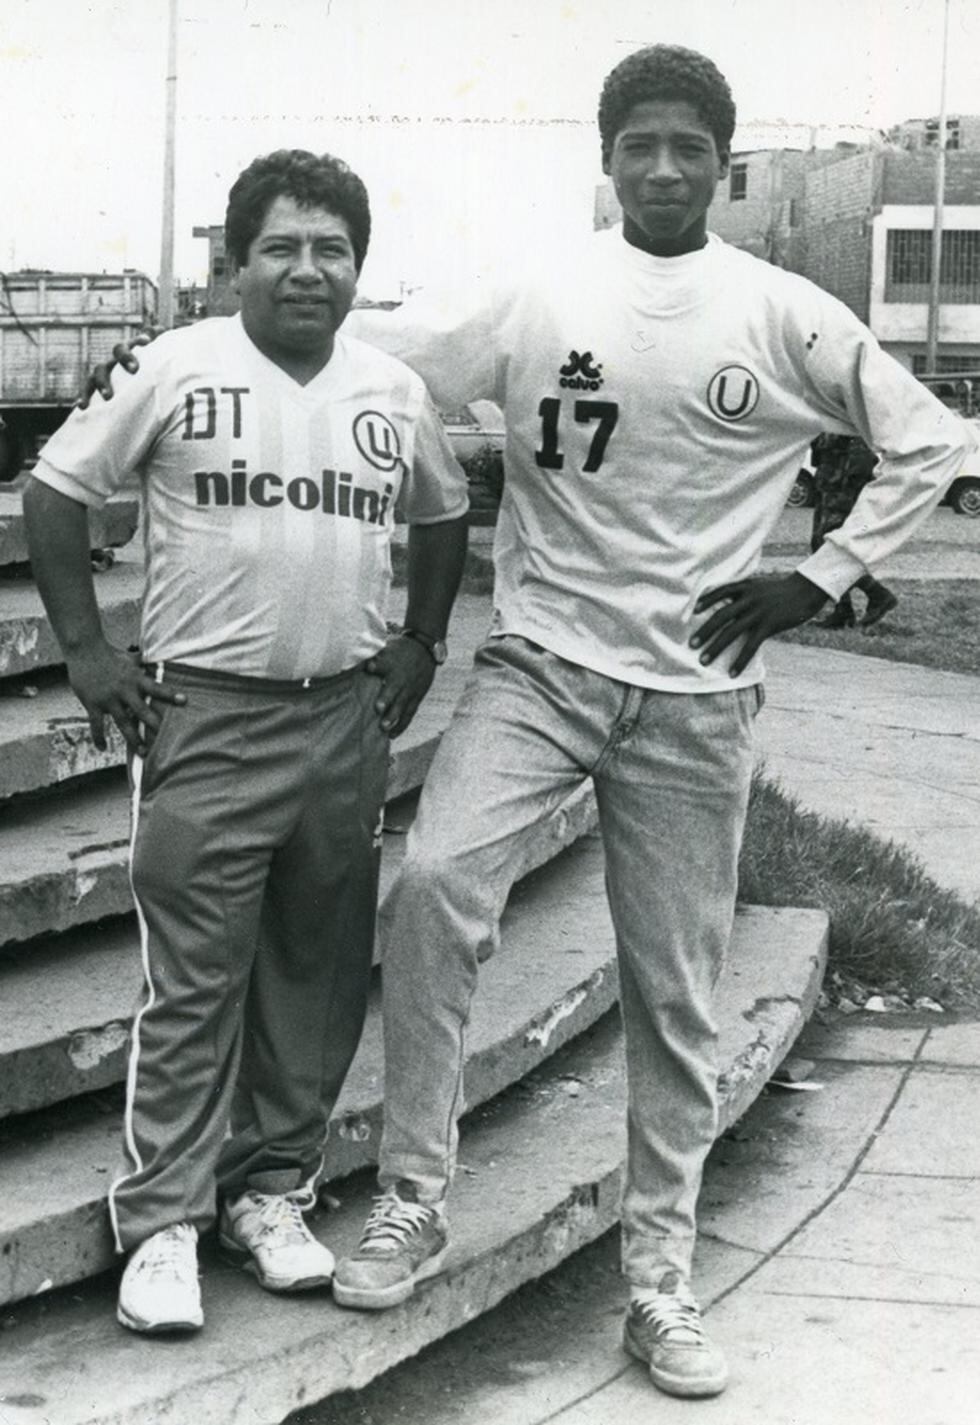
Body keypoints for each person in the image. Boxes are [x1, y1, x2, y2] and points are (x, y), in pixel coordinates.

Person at [86, 46, 970, 1399]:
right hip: (541, 667)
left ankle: (661, 1281)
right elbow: (363, 341)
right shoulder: (542, 289)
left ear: (723, 167)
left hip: (694, 693)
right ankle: (412, 1200)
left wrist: (821, 578)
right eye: (639, 147)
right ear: (605, 160)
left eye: (690, 150)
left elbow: (933, 443)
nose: (664, 170)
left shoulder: (782, 309)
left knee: (675, 989)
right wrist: (197, 344)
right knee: (433, 891)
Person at [24, 148, 469, 1337]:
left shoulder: (392, 389)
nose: (306, 270)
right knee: (195, 980)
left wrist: (421, 640)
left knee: (317, 979)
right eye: (281, 246)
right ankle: (163, 1220)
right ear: (235, 262)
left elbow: (444, 509)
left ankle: (270, 1193)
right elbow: (55, 491)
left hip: (341, 717)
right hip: (205, 712)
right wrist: (85, 652)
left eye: (331, 249)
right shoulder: (172, 364)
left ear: (357, 269)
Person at [809, 433, 898, 627]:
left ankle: (877, 594)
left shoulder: (848, 420)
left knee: (830, 548)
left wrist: (847, 489)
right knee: (819, 546)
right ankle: (843, 611)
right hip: (827, 488)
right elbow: (817, 455)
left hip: (841, 491)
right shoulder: (827, 420)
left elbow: (864, 461)